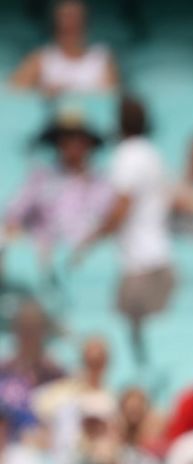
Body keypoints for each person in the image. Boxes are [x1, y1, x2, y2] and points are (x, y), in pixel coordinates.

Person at [76, 97, 174, 328]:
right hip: (159, 259)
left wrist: (88, 242)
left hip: (141, 266)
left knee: (122, 335)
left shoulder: (127, 155)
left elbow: (120, 210)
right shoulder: (153, 153)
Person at [4, 109, 112, 254]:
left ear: (88, 143)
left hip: (89, 260)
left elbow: (110, 224)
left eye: (78, 138)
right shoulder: (41, 178)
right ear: (58, 143)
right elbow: (14, 213)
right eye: (66, 138)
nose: (73, 145)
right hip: (43, 259)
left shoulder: (102, 183)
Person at [8, 1, 118, 95]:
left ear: (85, 22)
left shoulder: (101, 58)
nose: (70, 23)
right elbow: (14, 92)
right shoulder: (41, 57)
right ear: (55, 22)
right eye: (65, 17)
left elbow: (110, 98)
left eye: (75, 18)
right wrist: (39, 90)